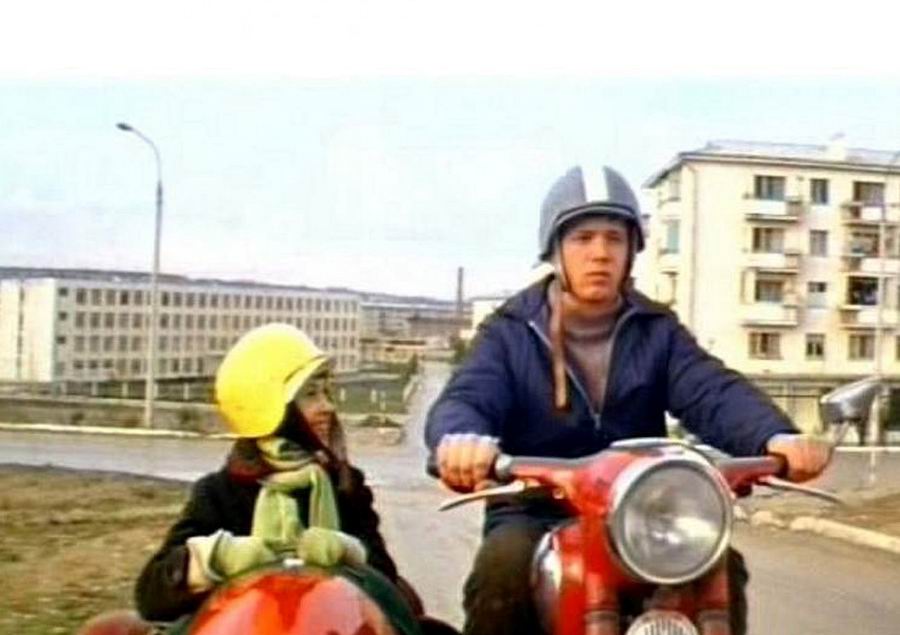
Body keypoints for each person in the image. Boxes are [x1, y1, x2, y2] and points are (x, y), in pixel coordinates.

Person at [424, 165, 833, 635]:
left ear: (631, 251)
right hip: (534, 505)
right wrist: (461, 439)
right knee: (504, 564)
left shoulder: (658, 330)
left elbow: (711, 390)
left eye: (614, 239)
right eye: (583, 238)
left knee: (719, 566)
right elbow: (471, 394)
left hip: (642, 510)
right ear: (555, 250)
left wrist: (774, 436)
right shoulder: (510, 331)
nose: (600, 253)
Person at [131, 323, 453, 634]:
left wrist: (349, 553)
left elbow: (385, 580)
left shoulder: (345, 485)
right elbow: (151, 595)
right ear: (268, 406)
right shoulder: (219, 492)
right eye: (310, 394)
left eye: (326, 392)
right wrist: (215, 559)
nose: (327, 407)